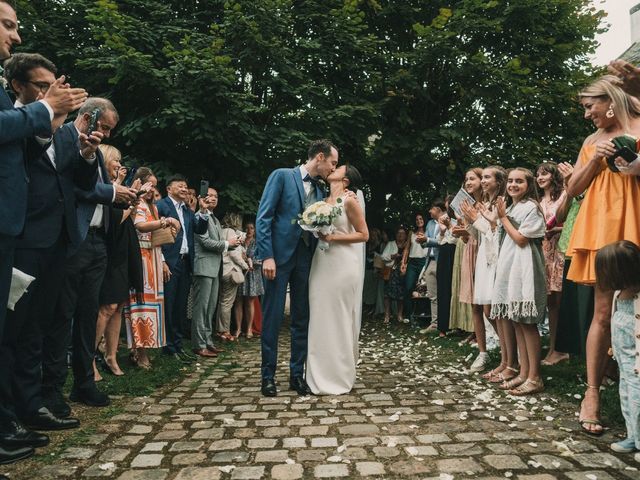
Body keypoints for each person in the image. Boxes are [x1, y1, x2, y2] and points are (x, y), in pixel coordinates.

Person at [0, 53, 97, 461]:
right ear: (17, 86)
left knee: (39, 326)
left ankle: (32, 405)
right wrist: (47, 114)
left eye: (50, 85)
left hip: (60, 240)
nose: (48, 92)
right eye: (40, 86)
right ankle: (11, 415)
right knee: (12, 331)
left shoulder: (57, 129)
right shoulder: (26, 122)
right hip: (23, 238)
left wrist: (88, 154)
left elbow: (80, 183)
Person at [42, 99, 137, 414]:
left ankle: (84, 383)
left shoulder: (93, 148)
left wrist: (118, 196)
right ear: (87, 116)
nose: (107, 135)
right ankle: (51, 389)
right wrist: (111, 193)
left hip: (98, 243)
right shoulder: (63, 137)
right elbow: (74, 188)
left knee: (87, 316)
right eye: (105, 127)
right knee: (62, 316)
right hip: (73, 240)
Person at [566, 75, 640, 435]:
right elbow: (572, 188)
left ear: (609, 100)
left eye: (589, 106)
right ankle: (592, 392)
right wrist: (595, 161)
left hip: (637, 215)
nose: (586, 115)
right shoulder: (591, 142)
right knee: (601, 312)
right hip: (601, 222)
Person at [256, 139, 338, 397]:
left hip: (305, 259)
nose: (333, 170)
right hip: (278, 260)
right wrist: (266, 256)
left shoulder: (320, 189)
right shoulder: (281, 176)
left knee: (302, 318)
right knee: (273, 317)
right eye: (333, 163)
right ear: (320, 157)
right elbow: (264, 216)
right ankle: (267, 377)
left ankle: (296, 376)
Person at [306, 165, 368, 395]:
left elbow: (364, 234)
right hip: (321, 263)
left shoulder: (349, 201)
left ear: (346, 180)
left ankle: (339, 375)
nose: (333, 168)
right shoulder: (321, 201)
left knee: (339, 317)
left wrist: (334, 237)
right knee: (320, 316)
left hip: (342, 264)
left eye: (338, 168)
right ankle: (317, 375)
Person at [491, 168, 547, 395]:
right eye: (511, 181)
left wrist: (503, 217)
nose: (513, 185)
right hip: (510, 267)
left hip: (526, 269)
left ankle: (535, 376)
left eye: (519, 182)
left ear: (529, 184)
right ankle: (523, 372)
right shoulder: (513, 206)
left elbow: (522, 239)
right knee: (517, 320)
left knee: (528, 322)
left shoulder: (531, 207)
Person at [94, 145, 146, 380]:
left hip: (125, 249)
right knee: (106, 308)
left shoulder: (119, 186)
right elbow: (114, 219)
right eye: (116, 160)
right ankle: (89, 357)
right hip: (109, 250)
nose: (119, 164)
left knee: (119, 306)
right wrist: (132, 202)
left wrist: (133, 198)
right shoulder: (104, 187)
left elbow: (128, 219)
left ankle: (112, 355)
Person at [123, 168, 179, 369]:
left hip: (153, 257)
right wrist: (165, 221)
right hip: (140, 258)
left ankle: (145, 347)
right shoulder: (138, 205)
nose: (152, 190)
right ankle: (139, 351)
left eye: (154, 186)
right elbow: (140, 226)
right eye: (150, 185)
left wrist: (162, 260)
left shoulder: (152, 207)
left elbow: (156, 236)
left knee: (152, 305)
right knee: (139, 305)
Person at [593, 241, 640, 453]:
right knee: (627, 398)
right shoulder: (618, 295)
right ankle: (633, 435)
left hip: (637, 365)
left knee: (637, 400)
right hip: (624, 363)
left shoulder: (637, 300)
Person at [461, 166, 508, 379]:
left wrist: (475, 219)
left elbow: (495, 232)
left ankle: (509, 356)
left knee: (492, 310)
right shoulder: (486, 203)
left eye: (487, 177)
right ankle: (505, 356)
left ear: (498, 182)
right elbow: (481, 232)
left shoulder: (500, 202)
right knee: (486, 309)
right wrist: (470, 221)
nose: (484, 180)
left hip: (494, 258)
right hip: (484, 257)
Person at [156, 175, 208, 362]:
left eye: (186, 186)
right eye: (180, 186)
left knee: (179, 306)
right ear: (169, 189)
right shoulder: (161, 206)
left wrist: (202, 211)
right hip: (169, 262)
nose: (184, 189)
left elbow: (199, 230)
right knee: (169, 305)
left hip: (186, 262)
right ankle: (168, 347)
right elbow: (156, 235)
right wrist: (161, 260)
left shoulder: (187, 210)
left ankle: (178, 346)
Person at [191, 187, 236, 357]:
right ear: (201, 198)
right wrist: (227, 244)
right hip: (203, 267)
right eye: (209, 195)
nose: (213, 199)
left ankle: (208, 342)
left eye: (216, 196)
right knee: (201, 308)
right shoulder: (199, 217)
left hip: (215, 267)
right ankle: (198, 344)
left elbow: (217, 242)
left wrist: (231, 244)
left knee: (210, 308)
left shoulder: (215, 219)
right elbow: (204, 242)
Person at [535, 161, 568, 366]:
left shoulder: (564, 195)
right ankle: (555, 346)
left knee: (559, 301)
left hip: (559, 251)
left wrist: (556, 230)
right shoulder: (539, 200)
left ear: (554, 176)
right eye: (538, 174)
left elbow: (571, 221)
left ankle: (560, 349)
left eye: (544, 174)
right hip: (543, 253)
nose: (540, 177)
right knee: (550, 303)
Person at [217, 213, 248, 341]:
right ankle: (225, 331)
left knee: (222, 301)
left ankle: (220, 330)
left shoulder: (220, 230)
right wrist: (245, 265)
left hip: (221, 269)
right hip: (230, 270)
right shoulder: (231, 232)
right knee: (227, 303)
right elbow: (234, 254)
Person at [234, 221, 264, 338]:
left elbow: (261, 260)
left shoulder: (258, 243)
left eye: (251, 228)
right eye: (247, 228)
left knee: (249, 302)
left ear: (255, 230)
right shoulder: (239, 241)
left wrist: (248, 260)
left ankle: (249, 329)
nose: (249, 230)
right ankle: (238, 328)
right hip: (239, 273)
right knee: (238, 301)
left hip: (252, 275)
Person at [419, 200, 445, 332]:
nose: (429, 211)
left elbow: (443, 241)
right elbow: (426, 241)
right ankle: (434, 324)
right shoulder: (429, 223)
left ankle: (446, 323)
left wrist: (427, 240)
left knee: (445, 293)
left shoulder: (448, 221)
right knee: (432, 294)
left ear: (438, 209)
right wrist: (422, 241)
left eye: (432, 209)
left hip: (443, 261)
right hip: (430, 260)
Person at [435, 196, 457, 336]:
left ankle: (455, 325)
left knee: (453, 288)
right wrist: (443, 230)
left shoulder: (459, 220)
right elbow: (439, 240)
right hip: (443, 253)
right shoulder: (443, 221)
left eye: (450, 206)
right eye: (447, 206)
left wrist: (449, 226)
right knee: (442, 288)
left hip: (454, 252)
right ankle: (443, 326)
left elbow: (457, 239)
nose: (448, 209)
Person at [400, 214, 427, 319]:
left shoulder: (428, 231)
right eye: (416, 219)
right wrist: (403, 262)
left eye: (420, 218)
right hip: (412, 262)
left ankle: (423, 314)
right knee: (408, 287)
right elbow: (407, 248)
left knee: (423, 288)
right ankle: (409, 315)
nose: (419, 221)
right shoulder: (411, 233)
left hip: (424, 261)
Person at [381, 227, 408, 324]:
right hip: (391, 272)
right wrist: (393, 256)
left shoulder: (408, 245)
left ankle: (399, 315)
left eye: (403, 233)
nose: (400, 235)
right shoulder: (391, 244)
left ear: (406, 236)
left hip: (402, 272)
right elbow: (383, 257)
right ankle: (387, 315)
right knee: (387, 295)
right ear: (396, 235)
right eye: (399, 233)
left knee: (401, 294)